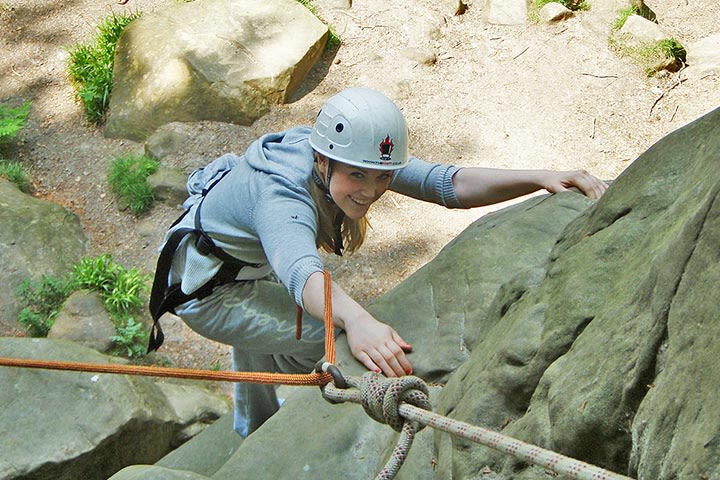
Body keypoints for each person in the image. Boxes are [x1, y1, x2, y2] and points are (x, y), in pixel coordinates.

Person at [150, 87, 607, 437]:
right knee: (331, 338)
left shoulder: (343, 152)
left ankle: (252, 428)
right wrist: (358, 319)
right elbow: (299, 271)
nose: (371, 190)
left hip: (229, 264)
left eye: (383, 176)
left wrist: (539, 177)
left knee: (277, 329)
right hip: (210, 292)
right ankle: (271, 430)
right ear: (323, 161)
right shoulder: (281, 194)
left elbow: (444, 184)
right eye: (357, 177)